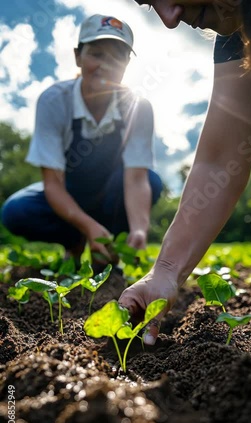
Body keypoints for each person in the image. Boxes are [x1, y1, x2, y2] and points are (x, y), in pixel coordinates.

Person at [119, 0, 251, 344]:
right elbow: (221, 159)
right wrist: (163, 273)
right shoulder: (238, 28)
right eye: (151, 4)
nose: (169, 18)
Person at [1, 14, 162, 265]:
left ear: (127, 63)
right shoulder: (54, 101)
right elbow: (53, 184)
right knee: (16, 212)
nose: (106, 66)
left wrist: (139, 228)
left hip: (110, 192)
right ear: (78, 56)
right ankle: (74, 240)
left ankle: (107, 250)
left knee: (153, 181)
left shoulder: (138, 107)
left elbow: (136, 178)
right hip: (68, 190)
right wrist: (87, 227)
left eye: (117, 57)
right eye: (96, 54)